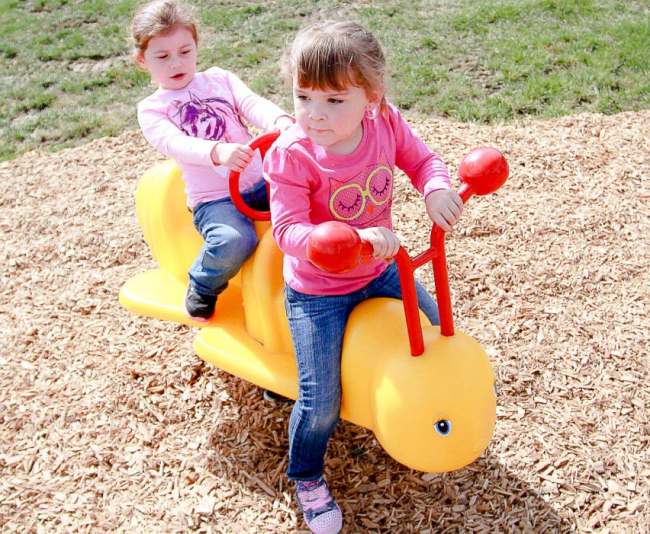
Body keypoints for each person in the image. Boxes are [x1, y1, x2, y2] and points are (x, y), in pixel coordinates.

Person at [264, 21, 464, 534]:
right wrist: (339, 242)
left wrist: (436, 188)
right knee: (320, 399)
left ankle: (433, 416)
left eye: (333, 100)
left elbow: (421, 161)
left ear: (371, 96)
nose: (313, 114)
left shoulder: (384, 125)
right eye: (303, 96)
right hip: (319, 291)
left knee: (440, 330)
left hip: (380, 270)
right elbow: (287, 229)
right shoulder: (291, 153)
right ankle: (306, 474)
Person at [132, 0, 293, 319]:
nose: (176, 62)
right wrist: (216, 152)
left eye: (185, 51)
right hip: (215, 199)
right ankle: (203, 283)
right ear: (142, 60)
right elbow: (174, 142)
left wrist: (280, 121)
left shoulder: (220, 80)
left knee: (306, 206)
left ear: (196, 46)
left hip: (259, 181)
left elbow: (251, 103)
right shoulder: (152, 109)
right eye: (162, 56)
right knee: (235, 239)